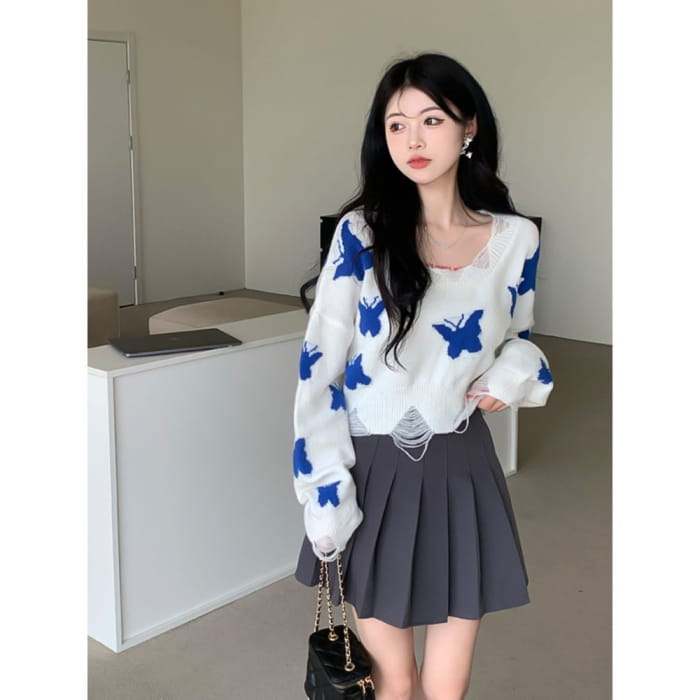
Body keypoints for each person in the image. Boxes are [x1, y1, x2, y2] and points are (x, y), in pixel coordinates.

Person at [292, 52, 553, 700]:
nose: (412, 138)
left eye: (431, 120)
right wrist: (325, 489)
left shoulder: (516, 239)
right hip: (373, 470)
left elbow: (518, 338)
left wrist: (514, 372)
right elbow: (318, 370)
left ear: (469, 128)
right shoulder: (361, 234)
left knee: (449, 683)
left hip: (463, 464)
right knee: (393, 683)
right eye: (396, 124)